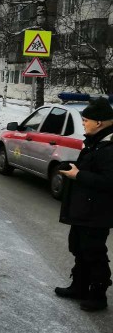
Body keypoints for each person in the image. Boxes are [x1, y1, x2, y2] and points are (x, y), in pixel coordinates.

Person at [56, 96, 113, 312]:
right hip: (85, 208)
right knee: (79, 247)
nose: (83, 124)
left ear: (99, 122)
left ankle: (98, 296)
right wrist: (71, 167)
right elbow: (90, 170)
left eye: (85, 120)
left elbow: (109, 181)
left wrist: (78, 175)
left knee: (93, 252)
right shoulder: (96, 142)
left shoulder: (108, 147)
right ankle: (79, 286)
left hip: (98, 212)